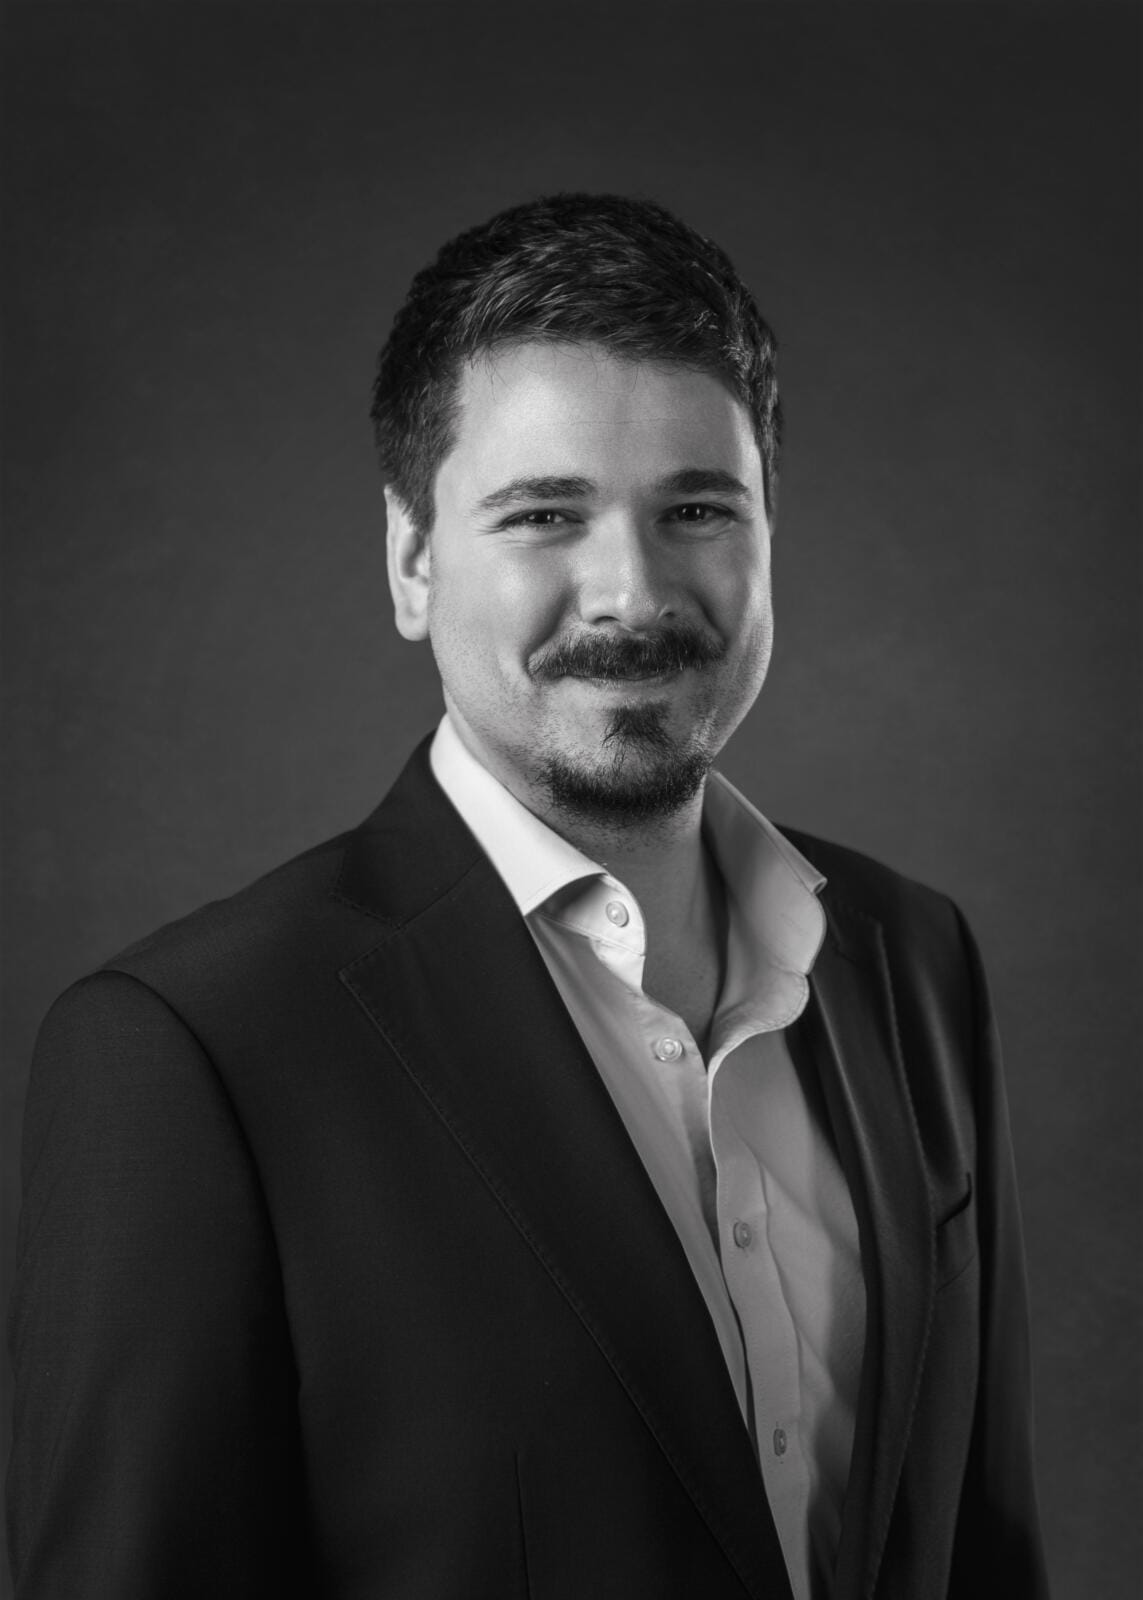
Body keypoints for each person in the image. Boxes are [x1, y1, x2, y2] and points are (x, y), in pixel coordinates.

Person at [7, 193, 1049, 1600]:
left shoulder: (915, 959)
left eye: (697, 509)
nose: (631, 592)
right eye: (546, 515)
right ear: (412, 560)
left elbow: (985, 1553)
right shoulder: (188, 1053)